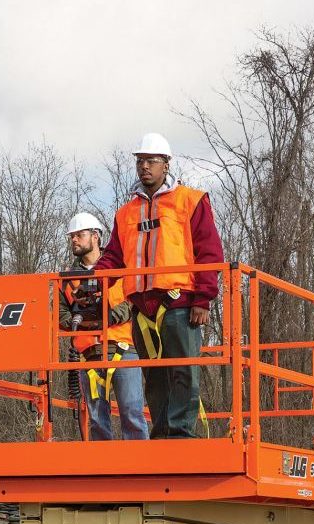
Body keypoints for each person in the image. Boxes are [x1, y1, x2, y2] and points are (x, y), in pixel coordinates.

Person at [92, 133, 224, 439]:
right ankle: (162, 435)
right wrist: (96, 277)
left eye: (151, 161)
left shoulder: (190, 201)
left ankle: (179, 436)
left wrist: (203, 299)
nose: (144, 167)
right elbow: (114, 255)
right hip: (141, 308)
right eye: (140, 162)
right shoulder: (126, 213)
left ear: (166, 164)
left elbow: (209, 252)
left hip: (179, 303)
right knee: (154, 377)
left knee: (183, 372)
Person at [59, 212, 148, 441]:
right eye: (72, 236)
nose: (74, 240)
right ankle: (103, 472)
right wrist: (82, 322)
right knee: (97, 420)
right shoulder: (67, 278)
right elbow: (60, 313)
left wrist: (109, 316)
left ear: (96, 236)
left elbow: (134, 300)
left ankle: (143, 471)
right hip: (89, 354)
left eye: (80, 235)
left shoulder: (120, 268)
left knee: (132, 413)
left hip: (123, 348)